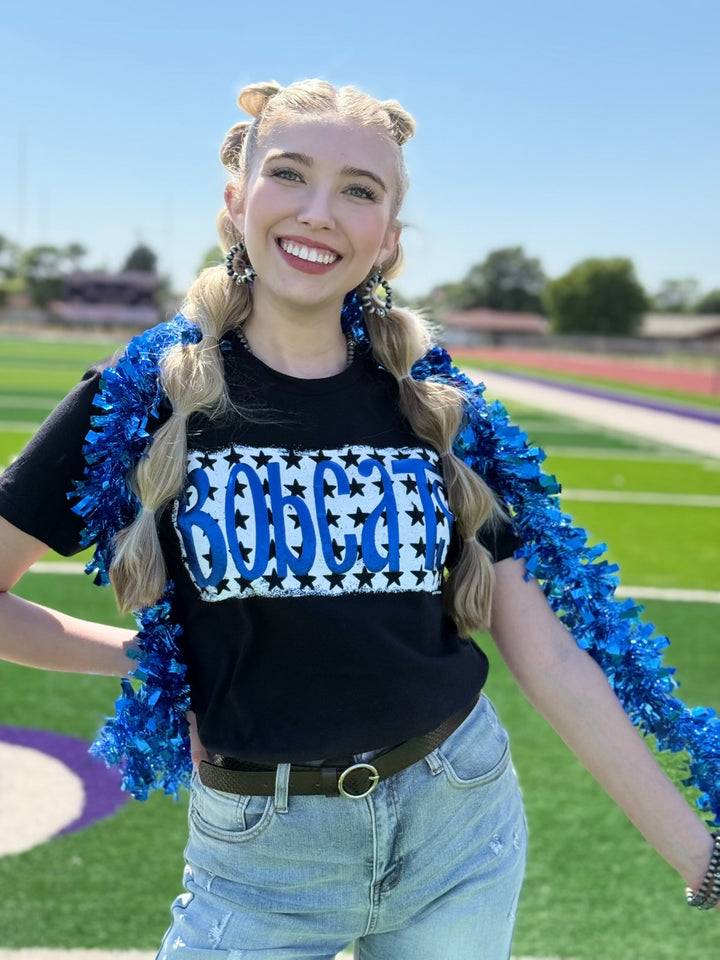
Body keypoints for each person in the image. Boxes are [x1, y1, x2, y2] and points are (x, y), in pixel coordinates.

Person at [0, 79, 717, 959]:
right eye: (290, 174)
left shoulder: (437, 407)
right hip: (261, 860)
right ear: (237, 201)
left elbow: (551, 656)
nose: (319, 212)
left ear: (390, 238)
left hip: (461, 820)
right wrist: (141, 657)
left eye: (360, 191)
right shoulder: (143, 397)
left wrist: (704, 857)